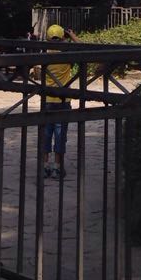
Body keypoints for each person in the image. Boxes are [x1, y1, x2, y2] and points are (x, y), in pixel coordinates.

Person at [42, 23, 79, 178]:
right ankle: (57, 166)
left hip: (47, 100)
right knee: (60, 135)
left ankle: (45, 166)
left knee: (46, 134)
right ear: (63, 37)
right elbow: (83, 48)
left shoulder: (44, 54)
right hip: (63, 100)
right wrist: (72, 35)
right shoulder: (67, 55)